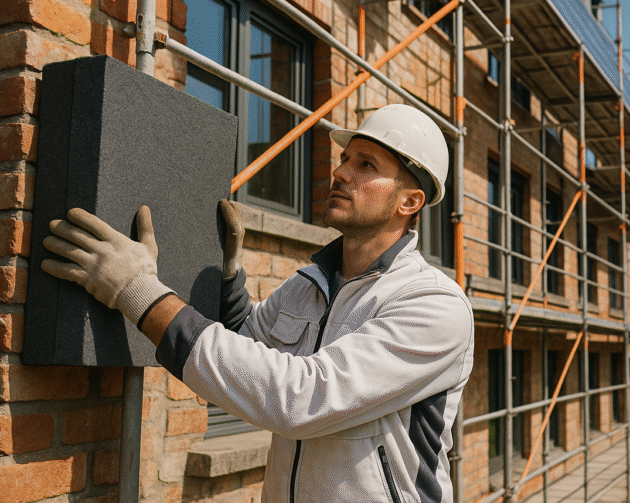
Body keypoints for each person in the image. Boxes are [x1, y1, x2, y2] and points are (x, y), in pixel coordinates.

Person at [42, 104, 474, 503]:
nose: (340, 172)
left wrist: (137, 290)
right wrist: (227, 272)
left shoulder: (434, 305)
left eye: (366, 165)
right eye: (345, 159)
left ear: (409, 201)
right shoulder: (309, 285)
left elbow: (300, 398)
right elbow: (246, 349)